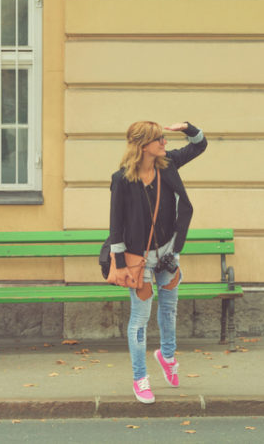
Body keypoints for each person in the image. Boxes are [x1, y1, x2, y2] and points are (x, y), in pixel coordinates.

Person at [109, 121, 207, 404]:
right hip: (139, 261)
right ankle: (140, 379)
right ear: (143, 146)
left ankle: (166, 355)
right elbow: (116, 226)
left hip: (168, 255)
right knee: (139, 321)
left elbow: (199, 145)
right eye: (159, 139)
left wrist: (188, 127)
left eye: (165, 138)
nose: (165, 143)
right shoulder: (122, 180)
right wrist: (121, 264)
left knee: (170, 312)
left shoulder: (169, 165)